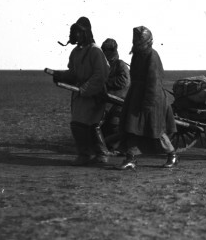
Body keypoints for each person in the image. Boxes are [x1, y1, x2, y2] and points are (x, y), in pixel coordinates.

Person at [116, 26, 178, 170]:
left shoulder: (152, 56)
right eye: (136, 42)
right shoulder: (137, 54)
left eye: (139, 42)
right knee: (131, 127)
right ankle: (130, 158)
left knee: (156, 129)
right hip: (137, 95)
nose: (137, 44)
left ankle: (172, 155)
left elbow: (154, 82)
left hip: (153, 98)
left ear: (148, 42)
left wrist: (148, 104)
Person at [52, 17, 111, 166]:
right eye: (75, 32)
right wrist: (60, 76)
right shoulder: (75, 52)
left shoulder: (96, 51)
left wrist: (84, 89)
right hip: (80, 95)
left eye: (79, 32)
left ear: (85, 33)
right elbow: (73, 73)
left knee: (91, 124)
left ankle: (101, 154)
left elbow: (101, 74)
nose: (76, 35)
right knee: (78, 125)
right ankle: (85, 154)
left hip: (94, 95)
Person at [100, 38, 130, 154]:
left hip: (119, 101)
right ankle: (105, 146)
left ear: (112, 50)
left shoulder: (120, 64)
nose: (105, 52)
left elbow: (124, 81)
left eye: (106, 50)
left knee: (114, 124)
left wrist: (106, 81)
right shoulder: (104, 65)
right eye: (103, 49)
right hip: (108, 100)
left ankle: (114, 148)